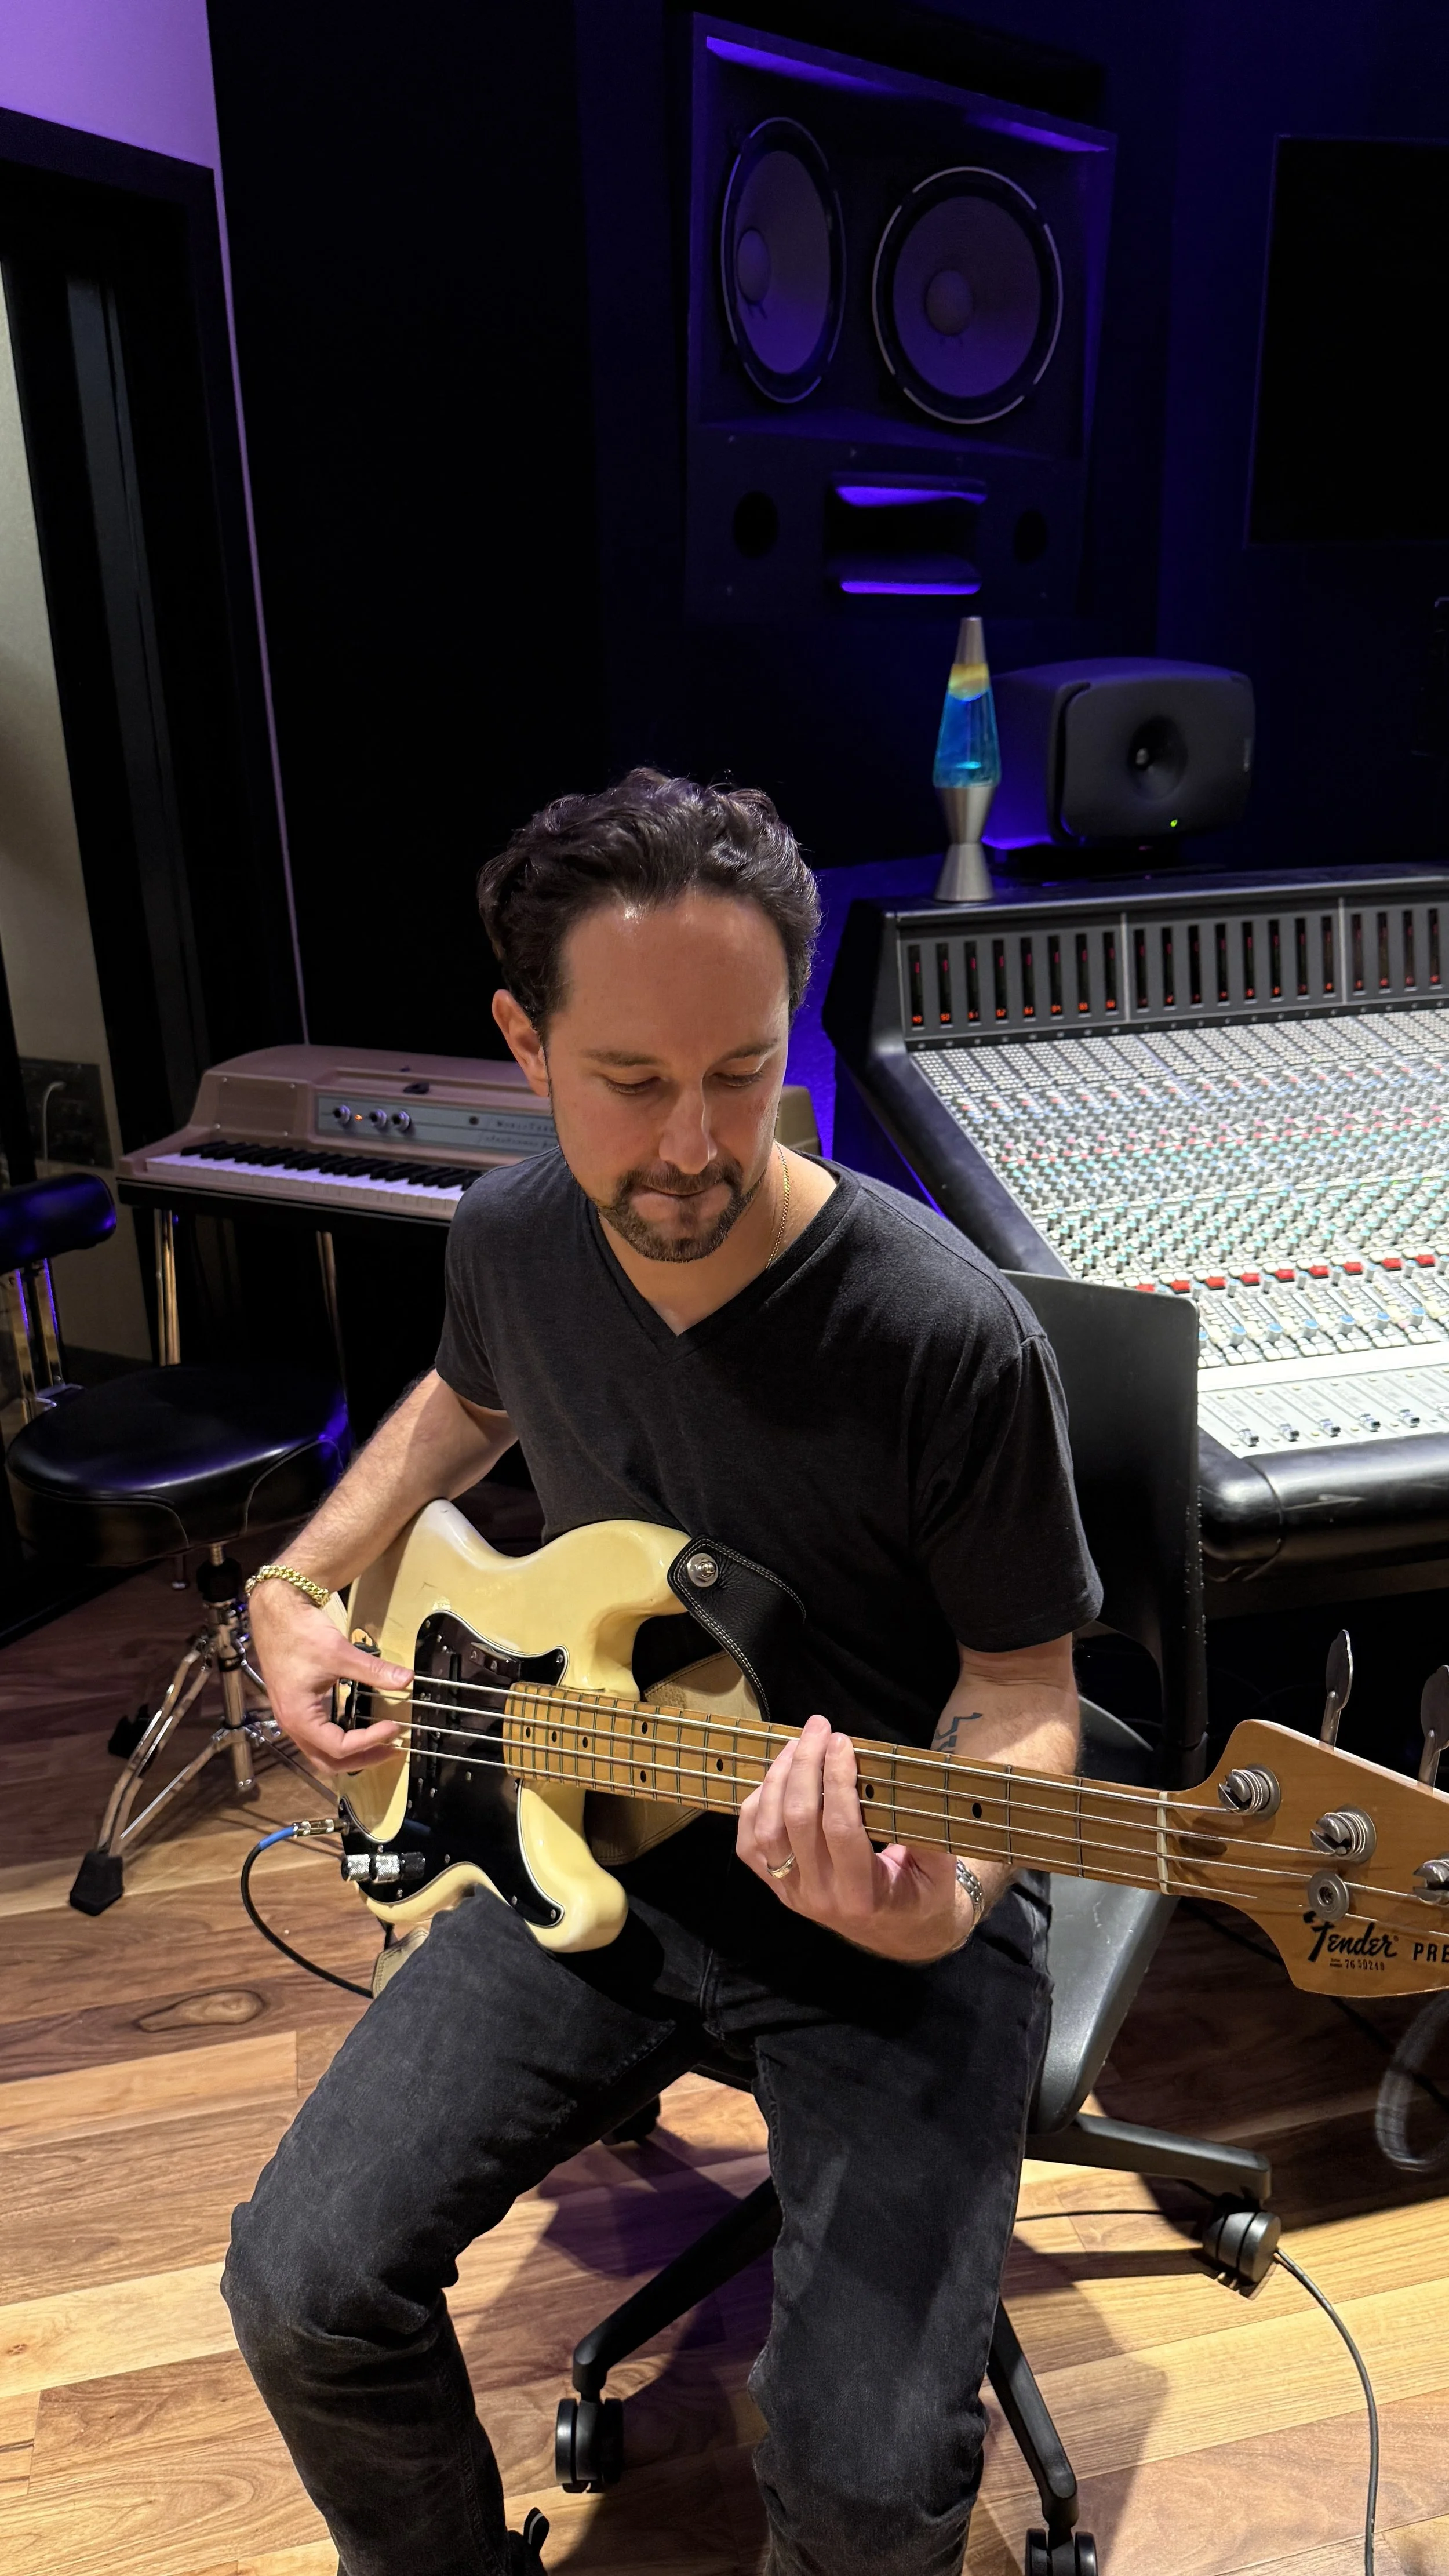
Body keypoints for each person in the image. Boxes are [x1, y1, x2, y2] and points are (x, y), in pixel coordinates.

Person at [224, 769, 1101, 2576]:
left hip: (891, 1899)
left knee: (862, 2484)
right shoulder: (512, 1234)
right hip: (590, 1833)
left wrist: (937, 1900)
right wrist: (303, 1574)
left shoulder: (945, 1333)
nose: (694, 1145)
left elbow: (1024, 1692)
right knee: (299, 2284)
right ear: (523, 1044)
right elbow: (464, 1399)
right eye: (630, 1081)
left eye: (741, 1071)